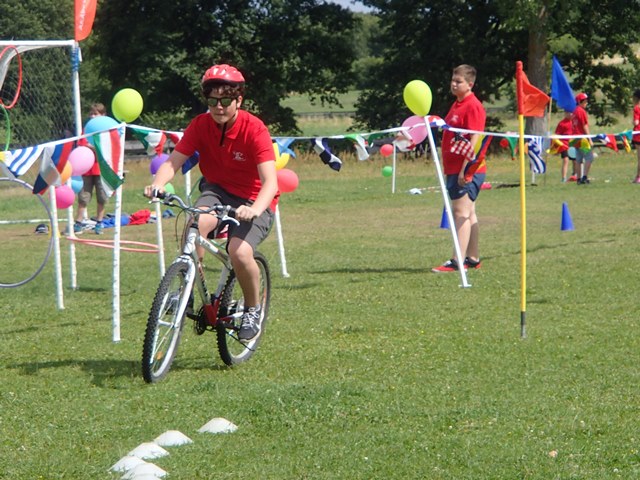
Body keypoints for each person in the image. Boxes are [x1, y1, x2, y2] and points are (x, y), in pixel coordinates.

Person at [144, 64, 278, 341]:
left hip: (254, 198)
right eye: (212, 101)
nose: (218, 107)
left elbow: (270, 183)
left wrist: (254, 209)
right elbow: (173, 162)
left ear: (238, 100)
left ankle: (253, 308)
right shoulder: (200, 125)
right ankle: (185, 290)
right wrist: (158, 184)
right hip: (217, 191)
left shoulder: (255, 129)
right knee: (195, 224)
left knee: (239, 252)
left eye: (226, 101)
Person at [432, 64, 486, 273]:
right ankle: (472, 258)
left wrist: (466, 169)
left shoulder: (473, 106)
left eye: (459, 81)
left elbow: (475, 138)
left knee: (460, 212)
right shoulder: (457, 104)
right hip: (453, 168)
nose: (454, 84)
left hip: (467, 169)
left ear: (470, 84)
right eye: (453, 80)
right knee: (469, 212)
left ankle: (457, 261)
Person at [74, 103, 108, 234]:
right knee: (83, 197)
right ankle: (78, 222)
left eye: (96, 114)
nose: (93, 116)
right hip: (86, 169)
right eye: (91, 114)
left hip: (101, 169)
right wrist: (93, 147)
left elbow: (105, 149)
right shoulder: (86, 130)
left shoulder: (106, 130)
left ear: (103, 115)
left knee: (102, 197)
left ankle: (99, 223)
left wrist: (93, 147)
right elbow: (82, 144)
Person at [571, 92, 594, 185]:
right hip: (582, 139)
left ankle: (578, 178)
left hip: (575, 138)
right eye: (585, 101)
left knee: (579, 159)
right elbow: (585, 126)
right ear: (580, 101)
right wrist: (589, 139)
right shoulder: (581, 111)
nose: (586, 103)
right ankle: (584, 177)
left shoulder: (575, 111)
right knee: (589, 157)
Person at [554, 110, 577, 182]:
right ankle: (564, 178)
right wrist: (556, 147)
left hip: (572, 143)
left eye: (572, 113)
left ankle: (575, 175)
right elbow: (557, 135)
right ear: (565, 113)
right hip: (564, 144)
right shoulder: (562, 123)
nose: (571, 115)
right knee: (566, 160)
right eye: (569, 113)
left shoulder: (574, 122)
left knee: (575, 160)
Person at [632, 89, 640, 184]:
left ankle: (638, 177)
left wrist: (633, 122)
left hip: (638, 135)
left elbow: (636, 122)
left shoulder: (636, 108)